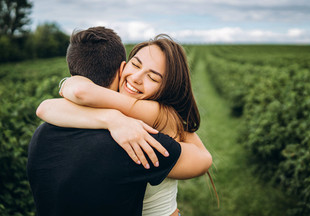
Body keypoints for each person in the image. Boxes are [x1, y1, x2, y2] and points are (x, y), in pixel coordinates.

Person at [28, 27, 212, 216]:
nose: (137, 78)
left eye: (153, 77)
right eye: (136, 65)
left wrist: (70, 84)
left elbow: (203, 160)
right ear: (123, 67)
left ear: (168, 88)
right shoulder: (128, 133)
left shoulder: (148, 127)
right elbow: (46, 107)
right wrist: (111, 118)